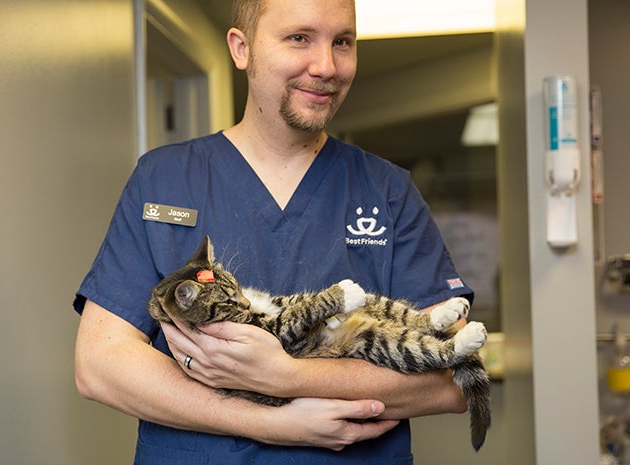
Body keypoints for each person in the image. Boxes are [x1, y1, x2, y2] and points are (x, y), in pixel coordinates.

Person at [73, 0, 474, 463]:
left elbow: (452, 381)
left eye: (342, 42)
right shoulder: (163, 179)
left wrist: (285, 377)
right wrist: (268, 421)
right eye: (299, 38)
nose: (326, 66)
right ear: (241, 49)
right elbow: (100, 365)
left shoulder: (387, 192)